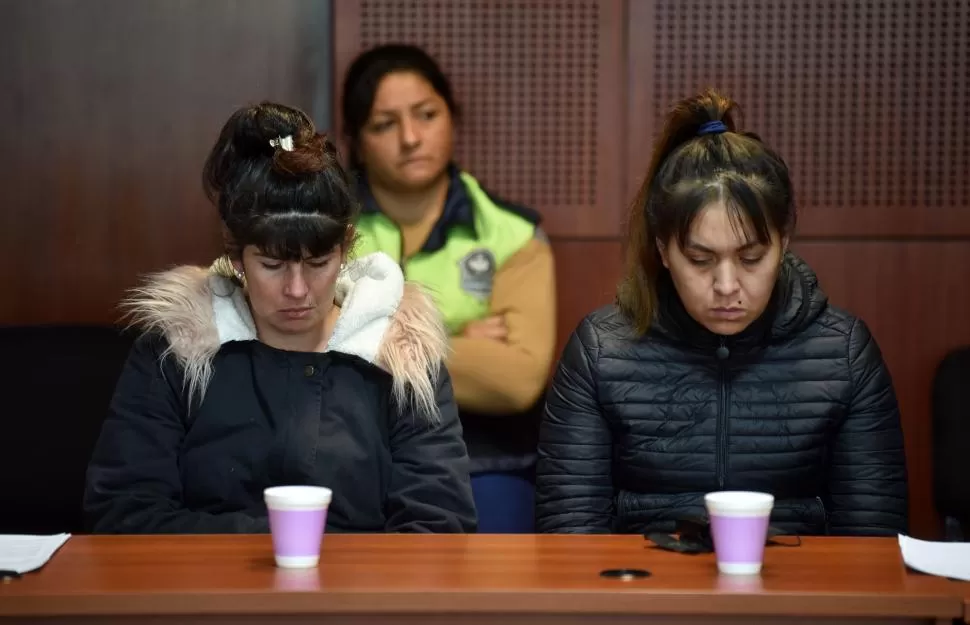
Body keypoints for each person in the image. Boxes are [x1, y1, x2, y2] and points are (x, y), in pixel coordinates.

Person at [84, 102, 477, 534]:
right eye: (272, 265)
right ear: (236, 259)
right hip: (209, 594)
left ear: (345, 250)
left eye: (318, 263)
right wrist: (274, 550)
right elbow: (123, 511)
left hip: (358, 598)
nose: (296, 290)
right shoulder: (176, 352)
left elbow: (439, 523)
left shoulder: (401, 356)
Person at [535, 89, 909, 536]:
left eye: (751, 258)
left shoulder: (844, 351)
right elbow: (570, 534)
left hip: (797, 592)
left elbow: (872, 543)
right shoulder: (601, 350)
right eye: (700, 260)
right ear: (663, 251)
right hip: (640, 593)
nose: (728, 286)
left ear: (783, 245)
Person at [340, 44, 557, 533]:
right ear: (356, 140)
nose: (411, 138)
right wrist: (454, 336)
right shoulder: (326, 234)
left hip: (485, 462)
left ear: (452, 118)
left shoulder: (512, 234)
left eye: (426, 115)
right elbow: (299, 349)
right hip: (347, 455)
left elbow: (516, 379)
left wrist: (364, 334)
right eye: (384, 124)